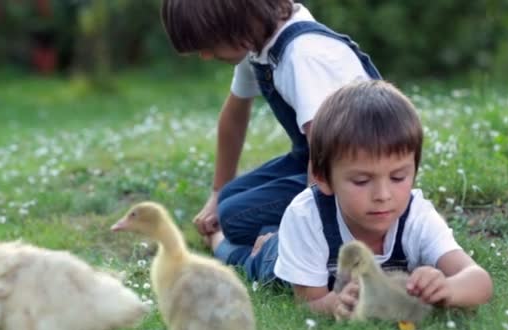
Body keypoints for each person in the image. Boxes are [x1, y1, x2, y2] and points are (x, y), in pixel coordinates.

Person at [160, 0, 382, 267]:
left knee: (232, 217)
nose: (206, 55)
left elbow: (325, 149)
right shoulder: (259, 42)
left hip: (354, 175)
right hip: (317, 162)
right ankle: (262, 234)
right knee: (227, 202)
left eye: (208, 43)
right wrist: (217, 193)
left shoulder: (302, 56)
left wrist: (300, 231)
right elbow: (233, 119)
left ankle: (250, 251)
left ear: (236, 20)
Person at [270, 79, 493, 317]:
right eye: (361, 181)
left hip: (306, 249)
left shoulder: (416, 217)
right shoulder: (307, 217)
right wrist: (335, 303)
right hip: (290, 252)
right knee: (256, 257)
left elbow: (479, 281)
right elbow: (307, 304)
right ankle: (250, 243)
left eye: (398, 177)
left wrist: (447, 288)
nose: (383, 196)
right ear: (323, 177)